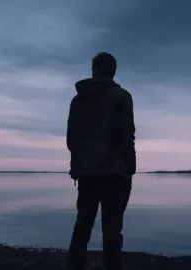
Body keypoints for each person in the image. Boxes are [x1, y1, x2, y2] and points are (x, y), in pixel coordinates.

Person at [67, 52, 136, 270]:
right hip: (115, 173)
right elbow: (126, 135)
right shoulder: (122, 96)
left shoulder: (78, 100)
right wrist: (130, 166)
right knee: (112, 229)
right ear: (113, 72)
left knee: (83, 224)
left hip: (87, 172)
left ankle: (75, 266)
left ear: (93, 69)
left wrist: (79, 163)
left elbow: (71, 138)